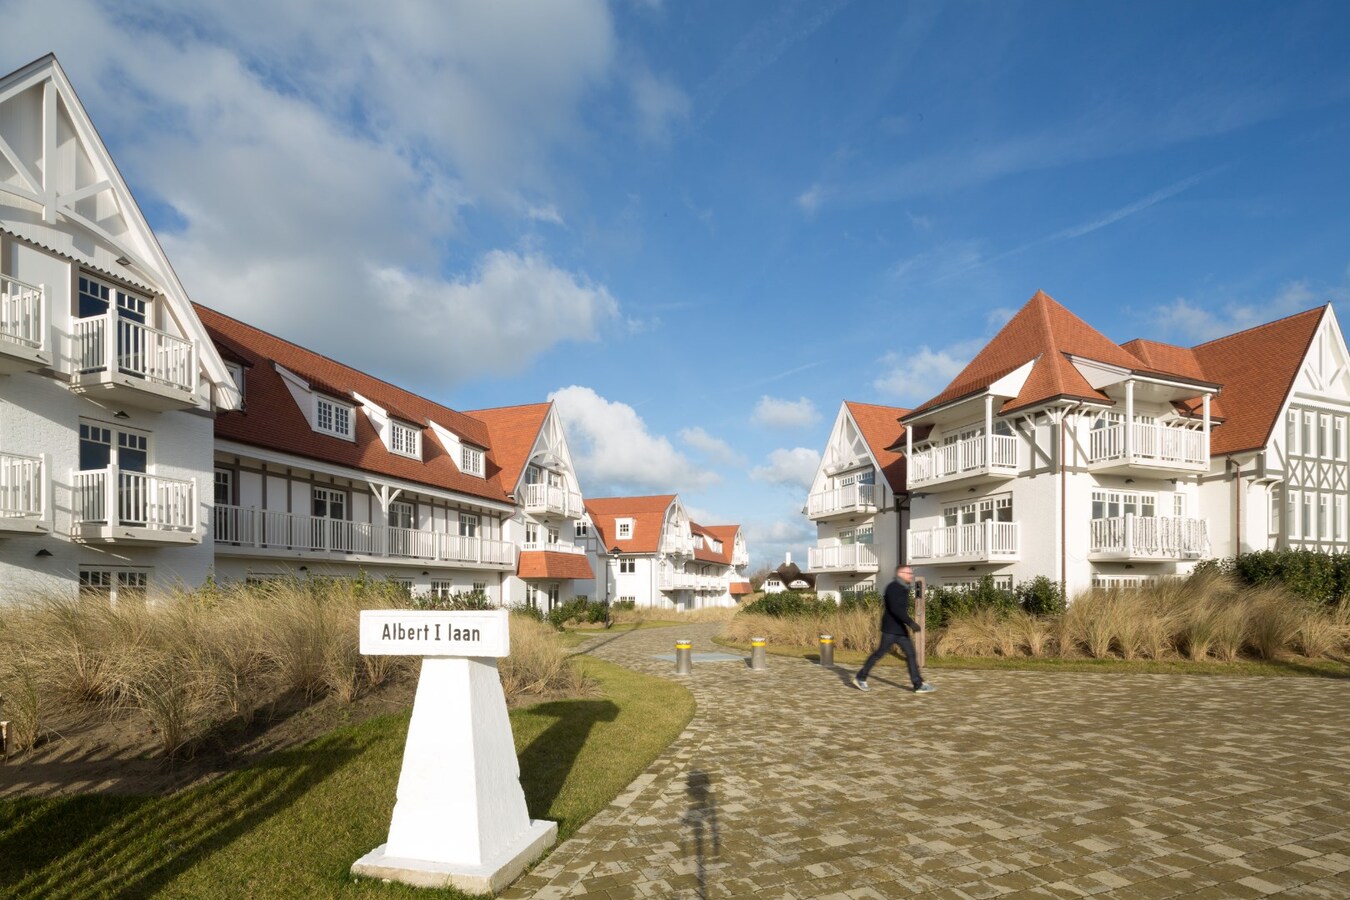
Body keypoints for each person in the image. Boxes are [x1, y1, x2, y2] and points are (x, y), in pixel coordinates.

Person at [853, 565, 935, 694]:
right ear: (900, 573)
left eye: (911, 573)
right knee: (879, 654)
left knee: (911, 654)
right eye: (908, 573)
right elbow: (896, 609)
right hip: (890, 629)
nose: (911, 575)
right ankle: (860, 677)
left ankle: (918, 684)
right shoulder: (893, 587)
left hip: (900, 630)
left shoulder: (903, 588)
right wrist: (911, 623)